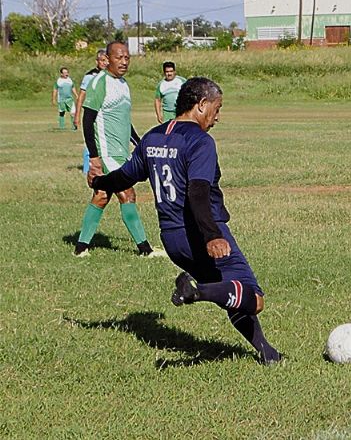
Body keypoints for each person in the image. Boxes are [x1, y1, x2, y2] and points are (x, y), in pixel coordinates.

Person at [89, 76, 282, 363]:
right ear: (202, 104)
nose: (218, 117)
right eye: (217, 108)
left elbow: (127, 176)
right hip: (201, 235)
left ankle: (268, 353)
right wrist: (213, 235)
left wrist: (100, 182)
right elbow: (199, 191)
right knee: (254, 298)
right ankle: (196, 290)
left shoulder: (152, 137)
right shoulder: (200, 141)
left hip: (172, 240)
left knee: (227, 291)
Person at [75, 41, 160, 257]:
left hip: (122, 152)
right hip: (106, 153)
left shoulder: (123, 84)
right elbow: (88, 120)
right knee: (127, 194)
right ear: (108, 58)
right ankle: (145, 250)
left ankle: (81, 247)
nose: (123, 62)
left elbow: (124, 120)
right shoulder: (99, 82)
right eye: (119, 57)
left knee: (102, 196)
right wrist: (94, 157)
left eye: (127, 58)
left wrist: (139, 143)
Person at [76, 50, 109, 173]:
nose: (105, 63)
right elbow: (82, 95)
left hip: (105, 115)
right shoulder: (90, 76)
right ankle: (87, 168)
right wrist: (77, 115)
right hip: (92, 112)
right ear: (97, 61)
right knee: (90, 138)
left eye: (107, 60)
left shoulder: (110, 76)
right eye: (102, 60)